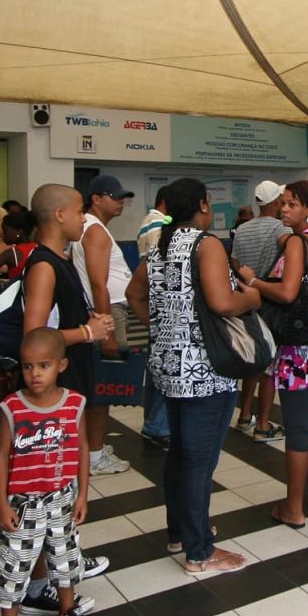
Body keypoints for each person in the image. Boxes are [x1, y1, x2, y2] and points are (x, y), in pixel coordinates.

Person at [126, 179, 259, 574]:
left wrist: (161, 325)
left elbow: (134, 294)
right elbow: (222, 301)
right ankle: (200, 550)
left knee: (181, 453)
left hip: (169, 366)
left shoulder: (160, 244)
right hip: (206, 369)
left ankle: (180, 532)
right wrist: (252, 296)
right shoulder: (206, 244)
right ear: (203, 205)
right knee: (200, 460)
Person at [8, 184, 114, 598]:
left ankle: (62, 557)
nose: (82, 219)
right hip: (51, 392)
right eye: (76, 212)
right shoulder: (44, 265)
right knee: (44, 484)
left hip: (71, 381)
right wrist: (87, 331)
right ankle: (37, 583)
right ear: (57, 216)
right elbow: (35, 336)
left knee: (62, 482)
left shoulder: (62, 259)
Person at [0, 328, 98, 616]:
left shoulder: (74, 403)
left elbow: (82, 449)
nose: (35, 374)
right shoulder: (12, 407)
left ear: (61, 365)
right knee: (15, 566)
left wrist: (82, 493)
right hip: (22, 503)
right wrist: (1, 505)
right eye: (27, 366)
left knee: (65, 557)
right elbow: (2, 456)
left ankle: (67, 612)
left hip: (62, 497)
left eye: (44, 365)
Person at [247, 179, 308, 528]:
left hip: (297, 346)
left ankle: (294, 508)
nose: (284, 209)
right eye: (283, 204)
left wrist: (252, 280)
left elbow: (287, 293)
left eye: (292, 204)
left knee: (297, 427)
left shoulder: (299, 243)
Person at [70, 175, 136, 476]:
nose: (120, 201)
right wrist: (106, 328)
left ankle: (92, 446)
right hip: (107, 314)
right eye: (114, 195)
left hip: (104, 313)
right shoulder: (95, 231)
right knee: (103, 388)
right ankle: (94, 455)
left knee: (100, 386)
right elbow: (98, 285)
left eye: (123, 196)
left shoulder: (91, 228)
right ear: (96, 198)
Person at [230, 181, 291, 440]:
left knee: (251, 362)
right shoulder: (281, 228)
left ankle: (244, 415)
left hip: (246, 301)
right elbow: (292, 248)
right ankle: (263, 424)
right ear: (276, 202)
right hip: (269, 301)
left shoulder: (242, 229)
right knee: (269, 365)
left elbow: (233, 261)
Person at [133, 188, 174, 449]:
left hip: (153, 304)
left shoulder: (150, 221)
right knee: (163, 370)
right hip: (160, 305)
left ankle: (153, 423)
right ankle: (158, 426)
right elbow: (160, 263)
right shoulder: (158, 224)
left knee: (155, 368)